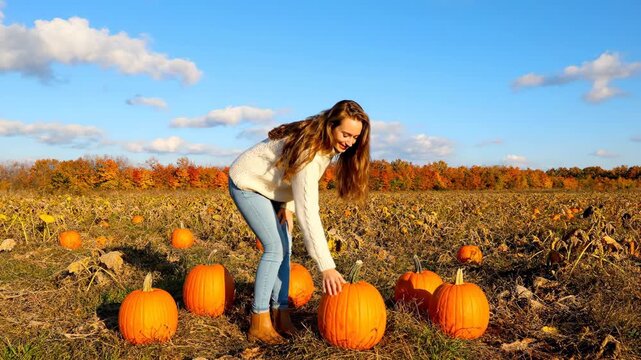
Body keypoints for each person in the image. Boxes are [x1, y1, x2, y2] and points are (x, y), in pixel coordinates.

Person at [227, 99, 371, 344]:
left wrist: (287, 207)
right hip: (248, 183)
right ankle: (259, 322)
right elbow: (309, 210)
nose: (349, 142)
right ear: (331, 125)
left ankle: (280, 314)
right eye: (346, 134)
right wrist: (326, 265)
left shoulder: (325, 146)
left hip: (272, 189)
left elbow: (294, 180)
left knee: (287, 249)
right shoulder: (312, 152)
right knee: (274, 248)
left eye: (355, 138)